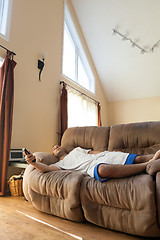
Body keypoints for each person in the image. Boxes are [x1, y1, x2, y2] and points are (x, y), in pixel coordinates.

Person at [24, 145, 160, 182]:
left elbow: (94, 152)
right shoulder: (61, 164)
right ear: (54, 155)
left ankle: (151, 160)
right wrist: (33, 163)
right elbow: (46, 168)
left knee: (139, 158)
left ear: (65, 148)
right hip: (93, 167)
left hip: (103, 156)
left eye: (58, 145)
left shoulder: (77, 149)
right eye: (54, 148)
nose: (56, 147)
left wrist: (112, 152)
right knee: (102, 170)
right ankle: (148, 165)